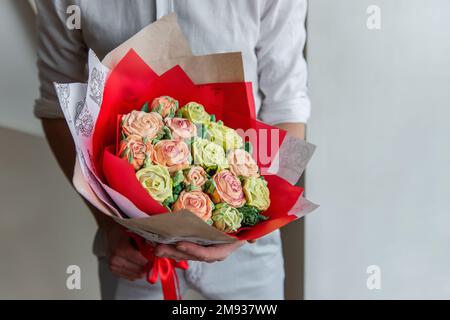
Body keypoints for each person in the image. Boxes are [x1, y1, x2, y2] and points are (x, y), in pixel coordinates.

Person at [35, 0, 310, 300]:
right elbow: (57, 105)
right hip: (132, 249)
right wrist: (106, 223)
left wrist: (250, 223)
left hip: (246, 253)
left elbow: (286, 106)